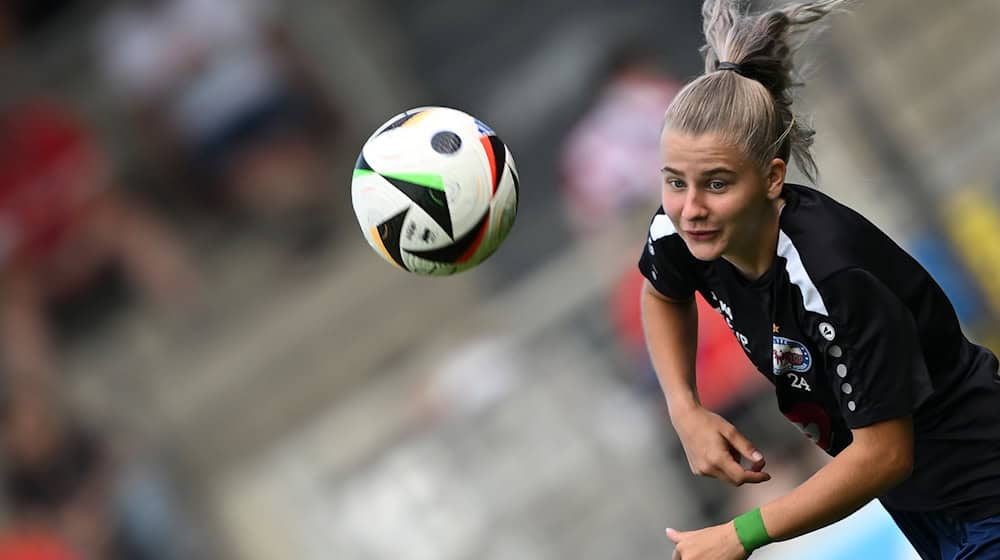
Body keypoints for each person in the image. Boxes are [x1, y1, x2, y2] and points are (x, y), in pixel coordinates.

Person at [637, 1, 1000, 559]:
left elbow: (884, 454)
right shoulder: (684, 230)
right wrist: (685, 410)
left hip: (984, 495)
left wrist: (743, 534)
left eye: (716, 183)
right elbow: (661, 293)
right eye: (673, 181)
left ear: (771, 179)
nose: (690, 208)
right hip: (922, 508)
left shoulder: (833, 273)